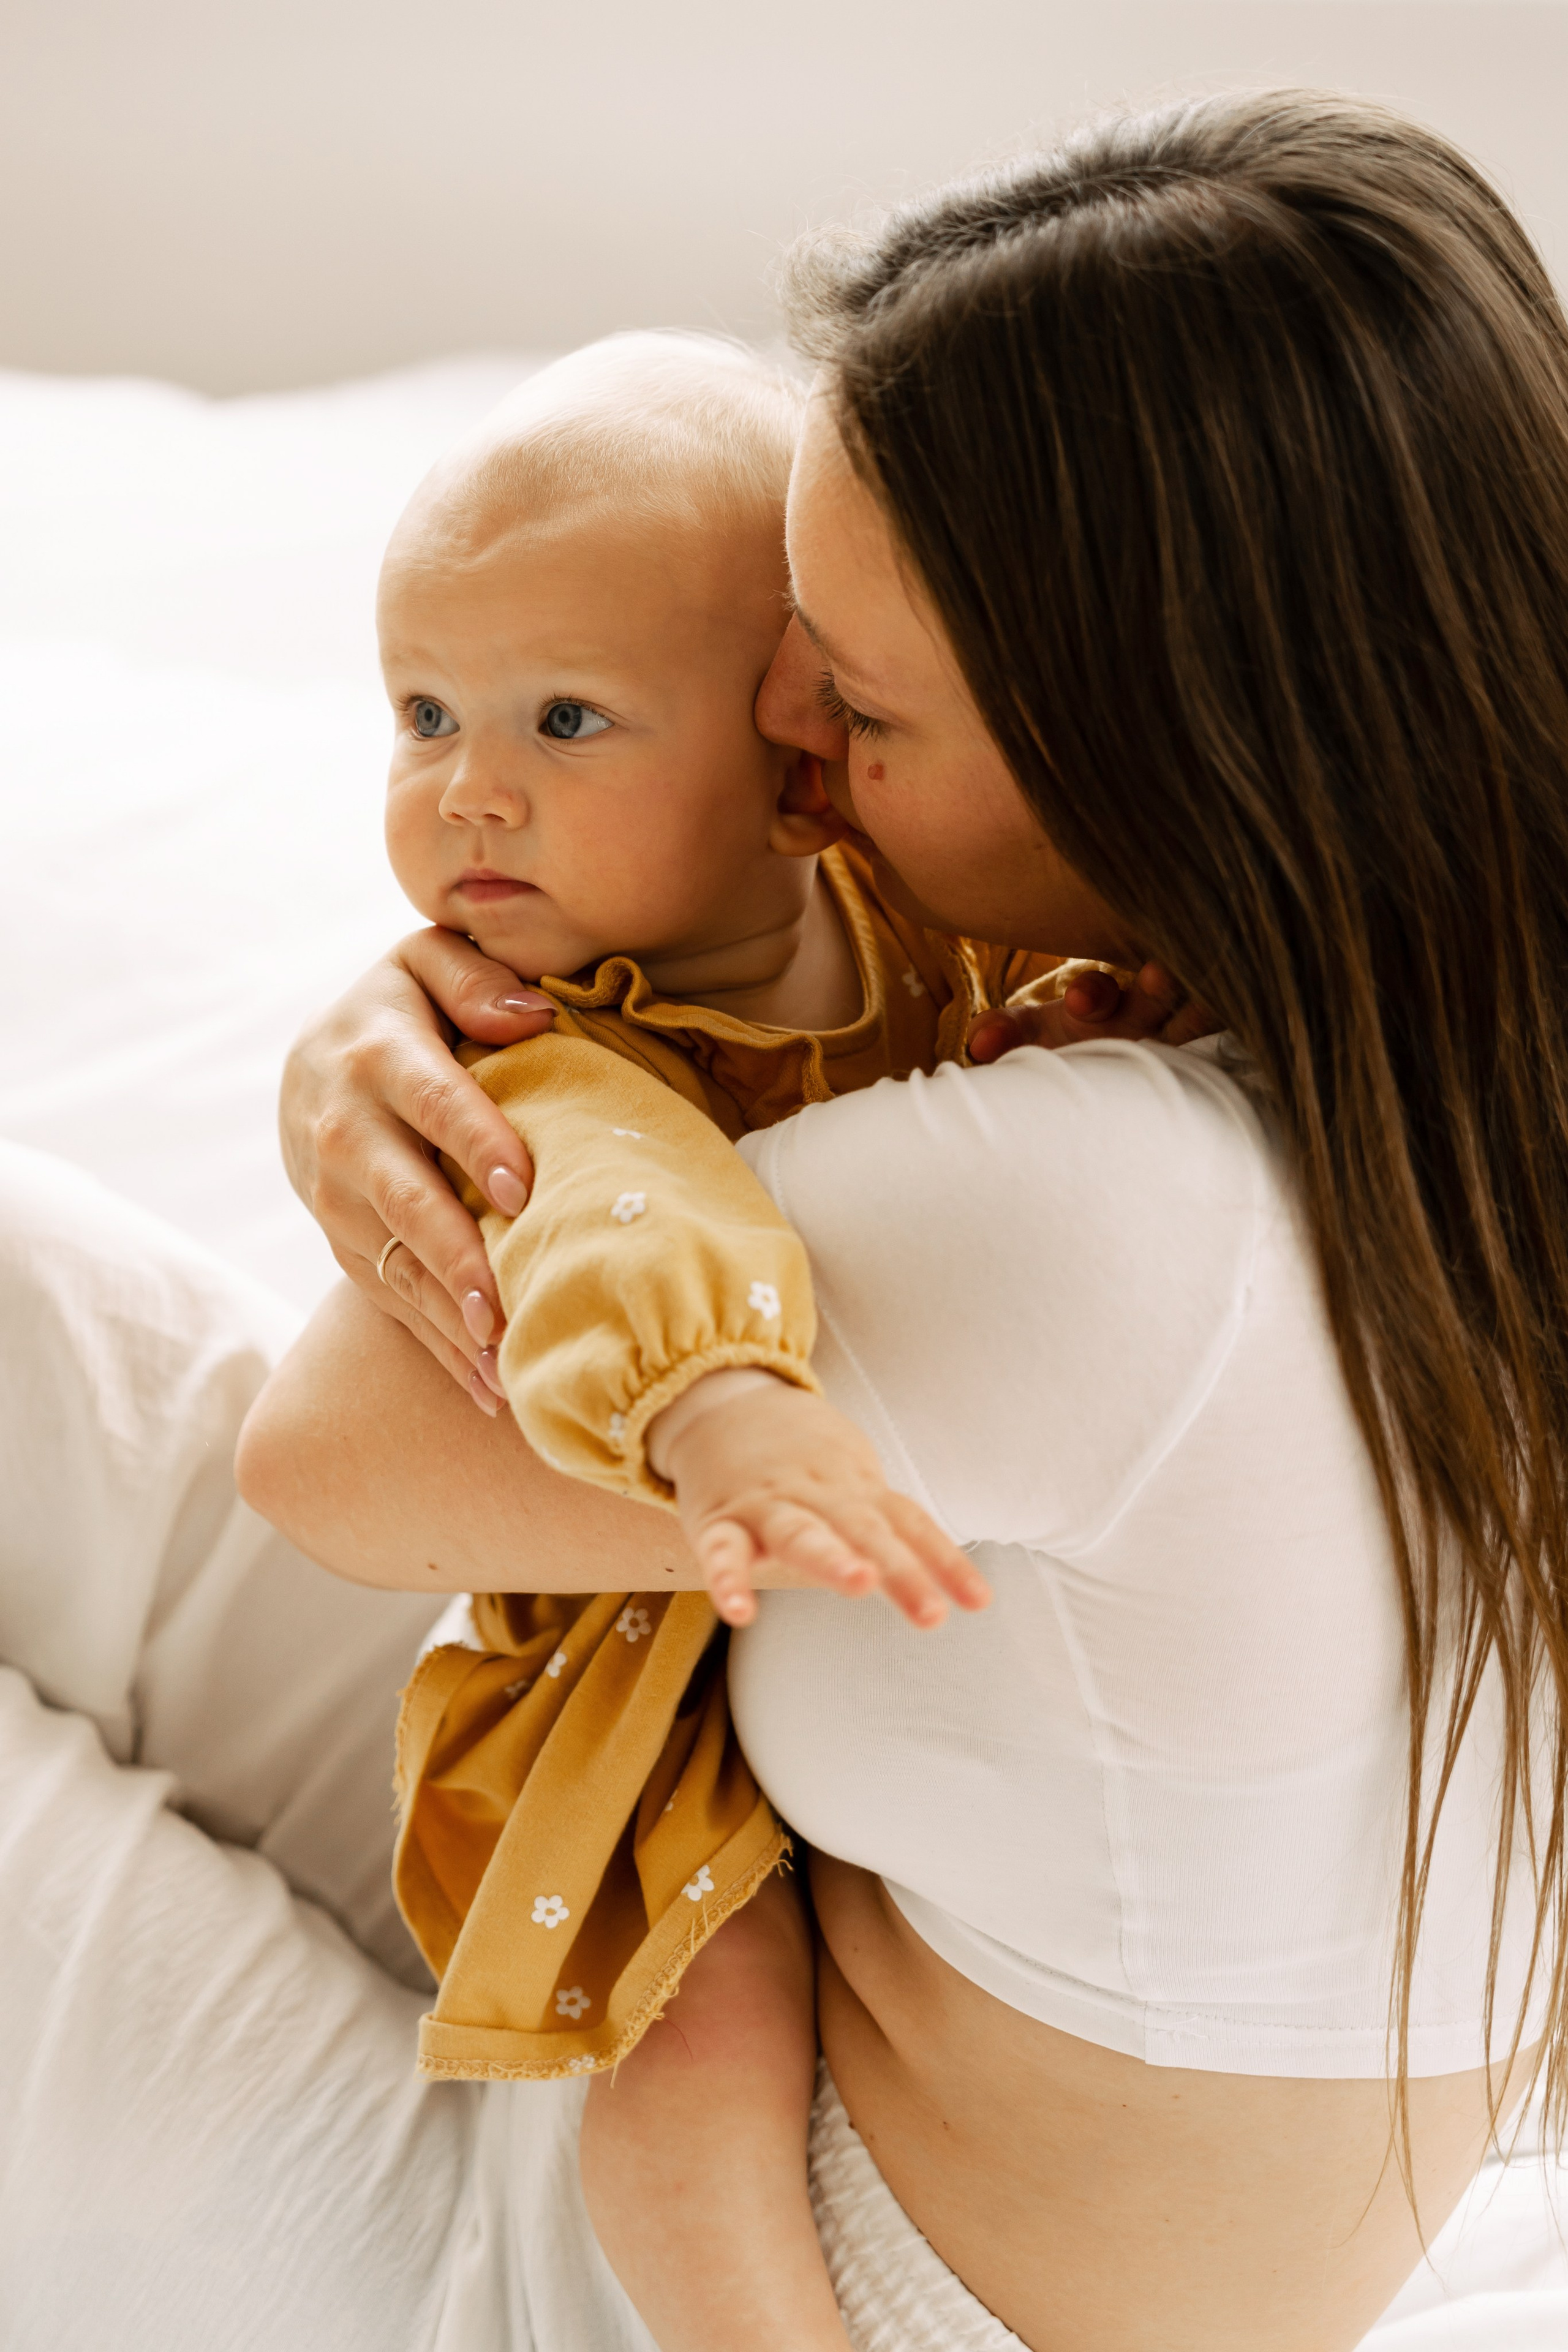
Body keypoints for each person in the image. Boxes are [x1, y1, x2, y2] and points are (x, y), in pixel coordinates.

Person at [241, 88, 1568, 2352]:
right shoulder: (1451, 1068)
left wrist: (420, 1063)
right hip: (881, 2021)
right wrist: (453, 999)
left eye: (852, 704)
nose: (780, 739)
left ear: (1154, 745)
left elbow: (331, 1462)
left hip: (776, 2251)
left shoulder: (1110, 1206)